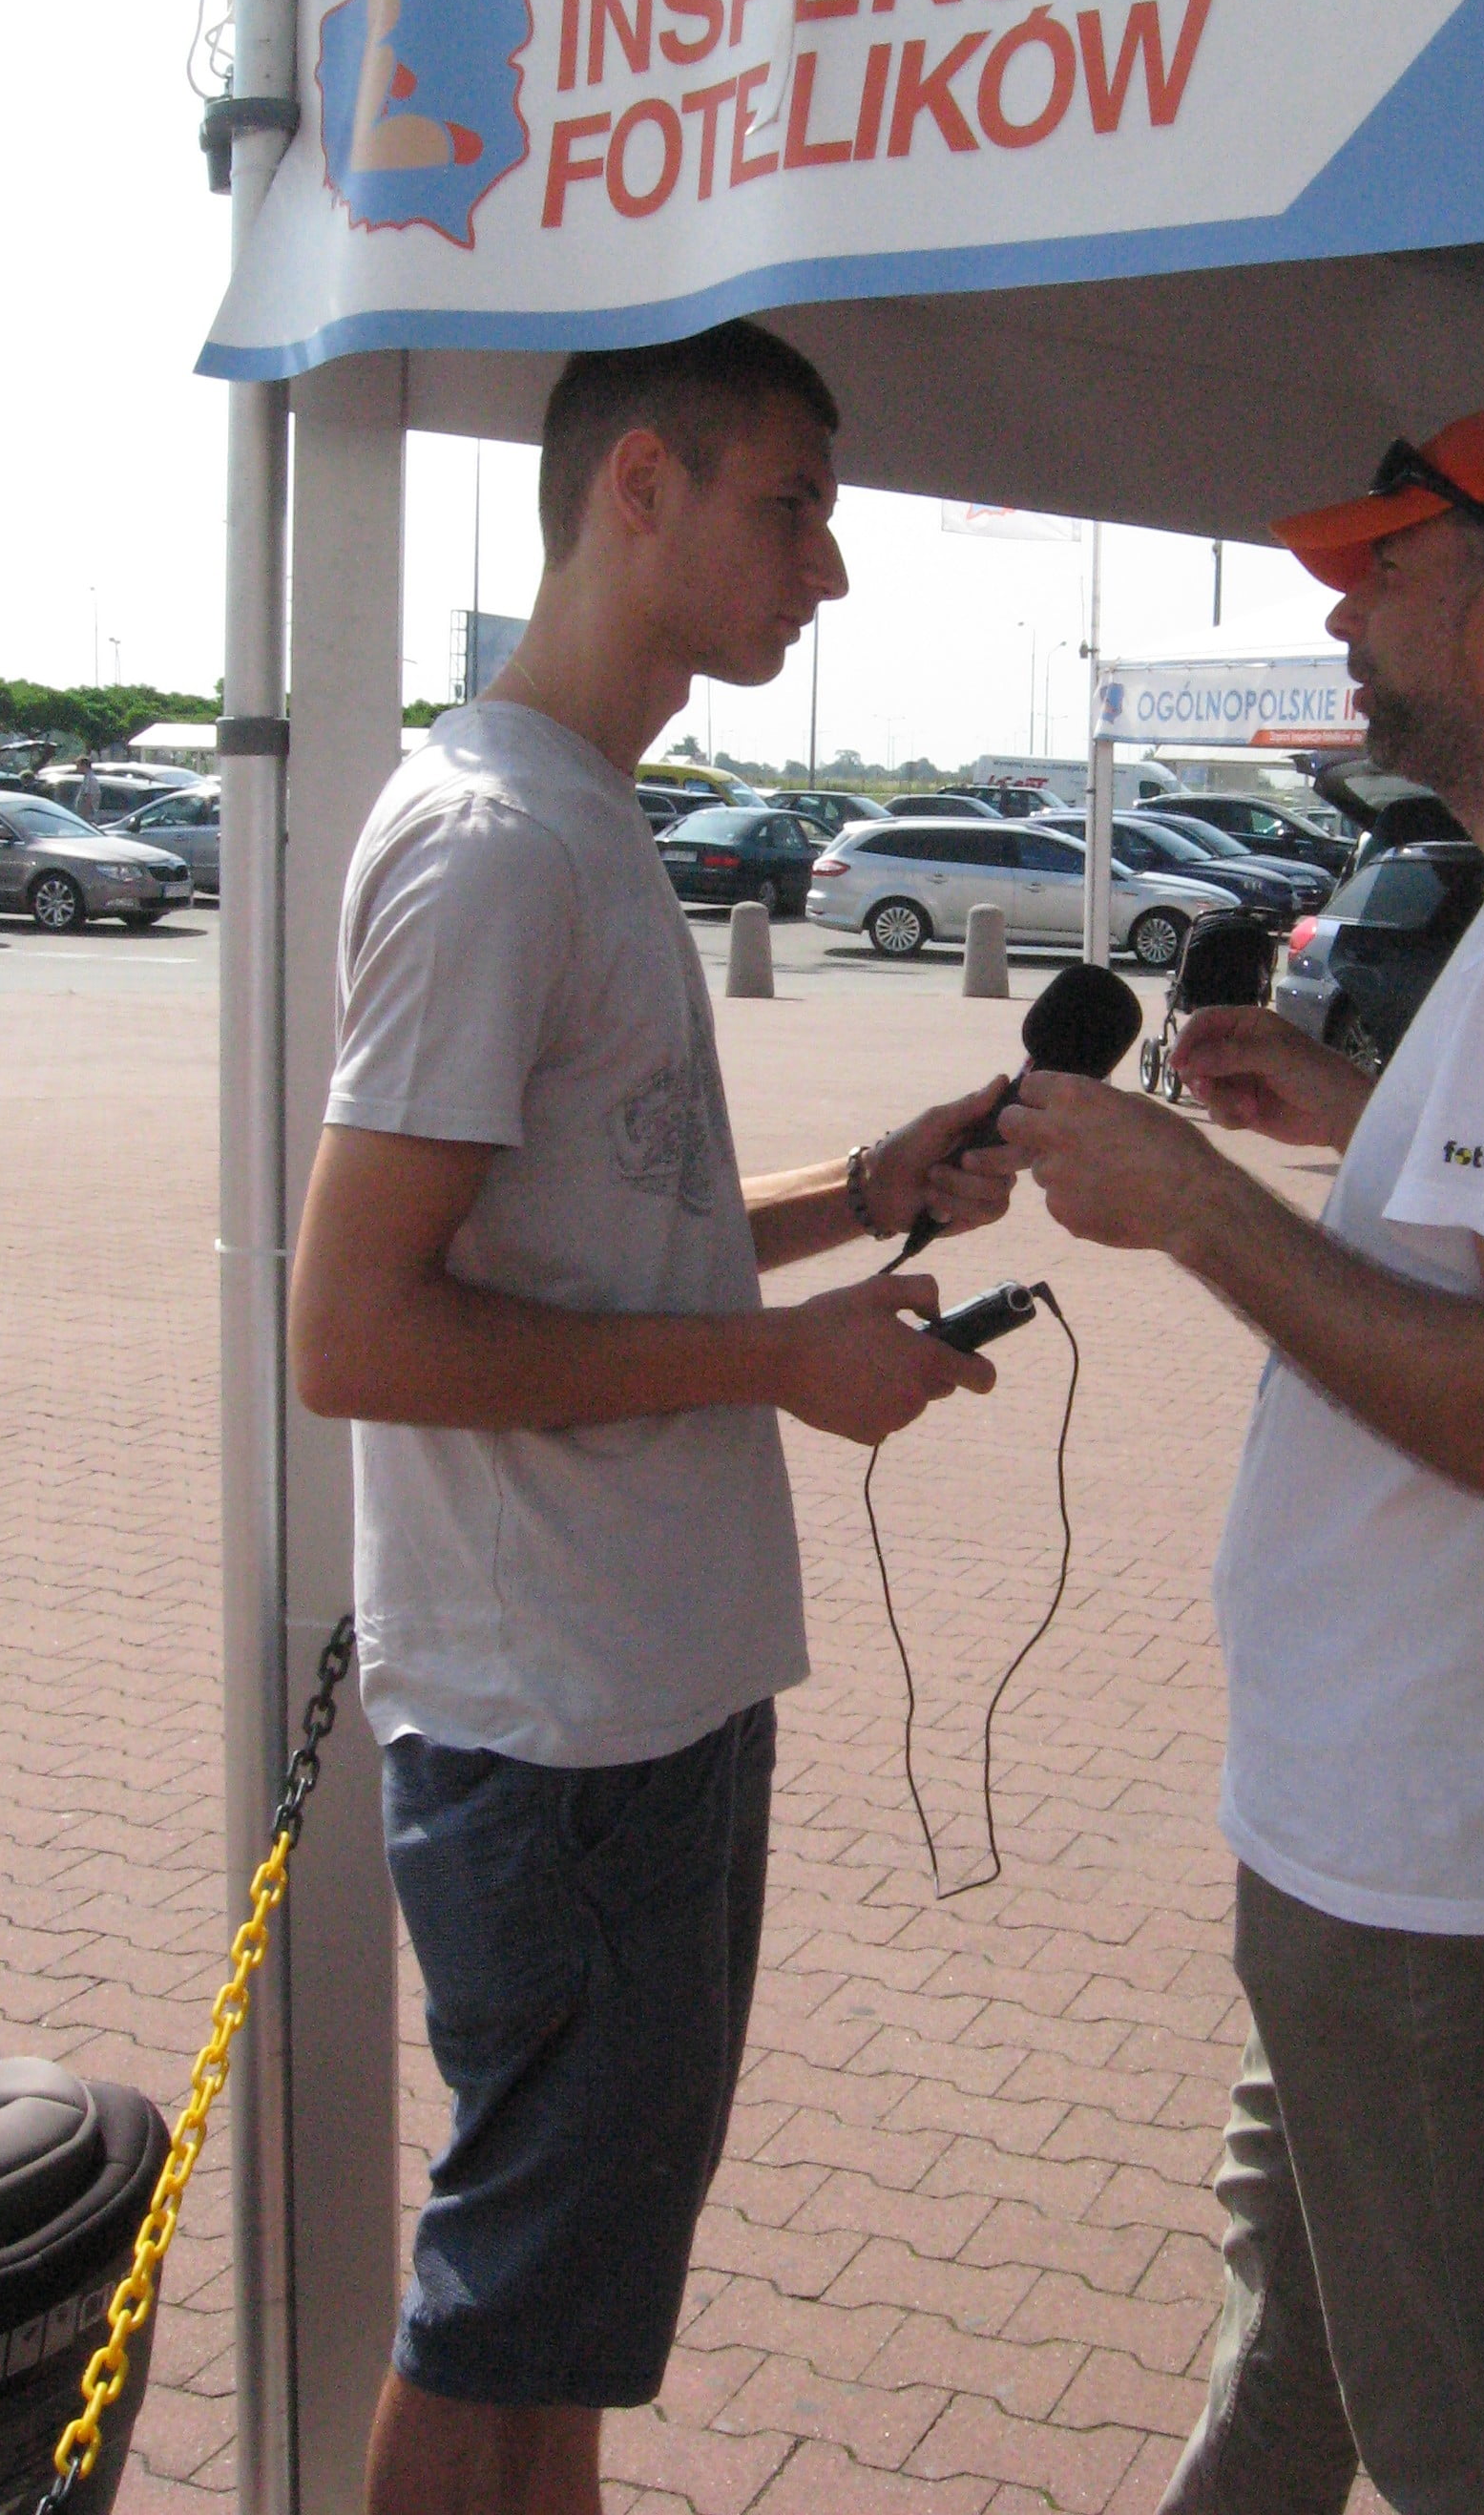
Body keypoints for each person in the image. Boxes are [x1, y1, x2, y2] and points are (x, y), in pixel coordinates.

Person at [994, 401, 1484, 2515]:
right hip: (1429, 1815)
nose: (1344, 618)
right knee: (1306, 2346)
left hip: (1435, 1842)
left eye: (1386, 570)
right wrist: (1363, 1116)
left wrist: (1192, 1203)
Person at [288, 320, 1018, 2515]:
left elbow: (608, 1245)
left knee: (570, 2309)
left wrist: (860, 1194)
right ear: (638, 489)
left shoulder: (579, 819)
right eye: (793, 506)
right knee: (513, 2302)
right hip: (560, 1726)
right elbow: (358, 1333)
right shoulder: (494, 845)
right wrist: (782, 1361)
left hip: (641, 1699)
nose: (831, 568)